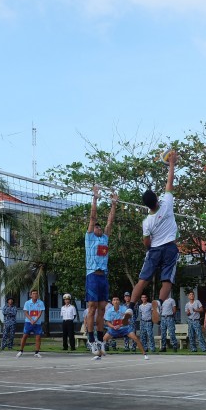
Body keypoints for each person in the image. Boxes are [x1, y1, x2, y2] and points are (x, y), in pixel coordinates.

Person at [125, 150, 178, 321]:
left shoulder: (146, 222)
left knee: (142, 280)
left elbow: (146, 241)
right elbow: (170, 181)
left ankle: (130, 308)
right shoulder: (167, 204)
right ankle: (160, 302)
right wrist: (171, 163)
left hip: (154, 250)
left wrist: (151, 248)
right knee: (167, 280)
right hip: (170, 247)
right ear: (156, 198)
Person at [84, 186, 118, 355]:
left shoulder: (105, 237)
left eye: (99, 227)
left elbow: (110, 221)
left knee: (102, 308)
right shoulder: (90, 238)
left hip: (103, 276)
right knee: (92, 307)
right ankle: (90, 340)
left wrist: (114, 204)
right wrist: (95, 198)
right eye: (95, 227)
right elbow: (92, 217)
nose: (97, 228)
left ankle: (99, 339)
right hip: (92, 274)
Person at [99, 296, 149, 361]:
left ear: (119, 302)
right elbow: (107, 322)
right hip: (113, 329)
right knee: (103, 340)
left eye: (117, 300)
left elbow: (127, 321)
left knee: (136, 338)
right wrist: (113, 327)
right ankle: (99, 355)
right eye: (114, 300)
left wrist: (120, 325)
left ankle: (145, 354)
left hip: (125, 328)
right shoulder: (109, 311)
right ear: (112, 302)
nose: (116, 301)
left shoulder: (124, 309)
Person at [17, 290, 44, 358]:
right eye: (33, 294)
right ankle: (21, 350)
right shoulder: (27, 303)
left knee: (38, 337)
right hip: (28, 322)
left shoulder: (40, 303)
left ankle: (37, 352)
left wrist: (35, 320)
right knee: (25, 336)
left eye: (36, 294)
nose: (35, 295)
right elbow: (26, 312)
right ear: (31, 295)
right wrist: (31, 320)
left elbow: (40, 312)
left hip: (37, 323)